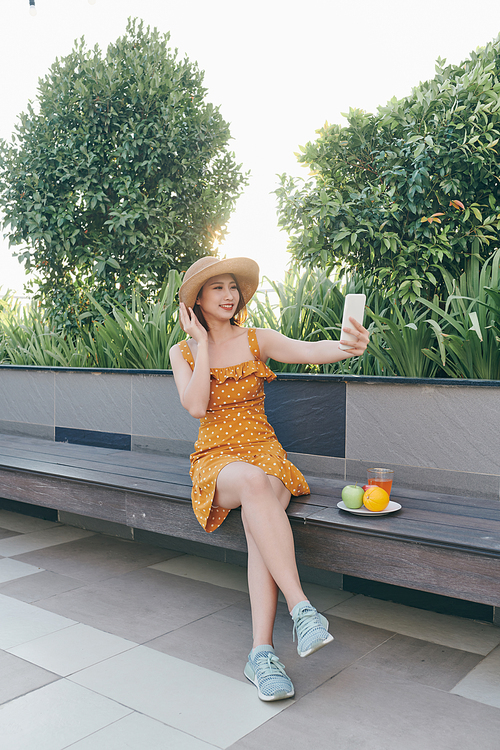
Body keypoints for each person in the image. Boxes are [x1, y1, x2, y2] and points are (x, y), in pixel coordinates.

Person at [170, 256, 369, 702]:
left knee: (261, 520)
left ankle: (262, 655)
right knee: (256, 488)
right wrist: (201, 345)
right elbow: (197, 406)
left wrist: (347, 347)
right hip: (217, 459)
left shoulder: (258, 338)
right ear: (196, 300)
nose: (228, 295)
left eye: (232, 287)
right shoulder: (181, 352)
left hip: (265, 451)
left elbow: (310, 349)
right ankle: (302, 609)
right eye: (216, 288)